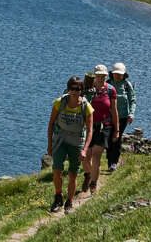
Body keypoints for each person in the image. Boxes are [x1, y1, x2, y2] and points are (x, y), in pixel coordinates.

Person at [47, 76, 93, 213]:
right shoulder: (59, 103)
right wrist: (50, 144)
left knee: (73, 174)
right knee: (57, 170)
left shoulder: (87, 107)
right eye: (72, 88)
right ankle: (58, 196)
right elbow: (50, 125)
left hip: (76, 142)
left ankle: (69, 202)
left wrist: (85, 149)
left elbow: (90, 130)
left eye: (78, 89)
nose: (75, 91)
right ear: (68, 89)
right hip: (60, 140)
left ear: (82, 90)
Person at [81, 64, 119, 194]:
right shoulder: (87, 89)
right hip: (88, 126)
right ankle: (87, 174)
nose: (101, 78)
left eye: (103, 76)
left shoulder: (110, 90)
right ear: (94, 76)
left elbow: (114, 110)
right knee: (86, 156)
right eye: (98, 76)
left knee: (96, 154)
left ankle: (93, 183)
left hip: (104, 126)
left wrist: (117, 130)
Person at [107, 62, 137, 171]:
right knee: (110, 138)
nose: (118, 76)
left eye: (120, 74)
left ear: (124, 74)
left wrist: (131, 114)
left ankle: (114, 162)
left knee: (117, 138)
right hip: (109, 116)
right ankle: (109, 160)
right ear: (112, 74)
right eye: (116, 74)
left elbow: (132, 100)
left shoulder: (126, 85)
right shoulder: (108, 84)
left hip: (123, 117)